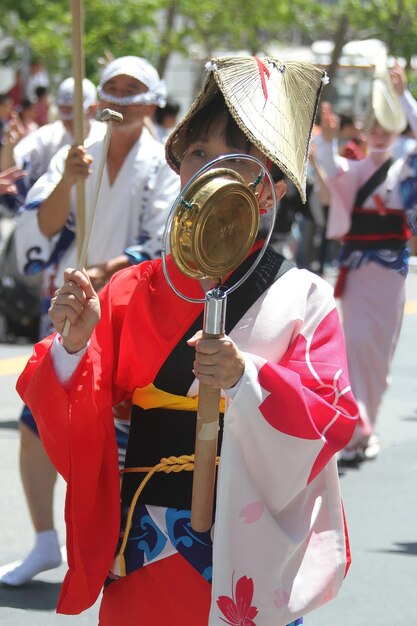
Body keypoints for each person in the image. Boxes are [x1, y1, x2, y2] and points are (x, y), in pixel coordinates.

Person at [16, 56, 358, 626]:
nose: (208, 169)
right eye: (197, 153)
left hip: (245, 541)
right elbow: (77, 401)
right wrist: (74, 346)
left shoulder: (306, 297)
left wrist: (246, 379)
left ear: (270, 188)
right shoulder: (134, 287)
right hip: (147, 539)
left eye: (233, 156)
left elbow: (331, 415)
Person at [2, 57, 179, 588]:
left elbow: (164, 238)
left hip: (129, 313)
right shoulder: (75, 154)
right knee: (39, 418)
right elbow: (37, 236)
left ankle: (115, 541)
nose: (121, 99)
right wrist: (67, 183)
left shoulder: (167, 164)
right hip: (68, 309)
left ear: (152, 101)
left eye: (133, 90)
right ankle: (43, 541)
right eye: (112, 89)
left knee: (113, 434)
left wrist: (110, 270)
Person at [317, 59, 417, 463]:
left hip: (391, 273)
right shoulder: (355, 168)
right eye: (372, 125)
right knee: (356, 347)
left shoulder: (406, 166)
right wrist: (325, 139)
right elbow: (328, 167)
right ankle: (360, 430)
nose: (378, 133)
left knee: (380, 353)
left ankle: (367, 424)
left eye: (386, 126)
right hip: (358, 272)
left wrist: (402, 95)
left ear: (397, 130)